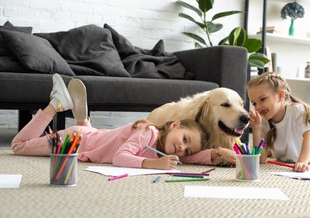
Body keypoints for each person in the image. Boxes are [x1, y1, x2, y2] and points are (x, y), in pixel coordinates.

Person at [11, 74, 224, 169]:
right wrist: (152, 164)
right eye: (185, 139)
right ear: (175, 124)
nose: (181, 148)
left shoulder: (165, 147)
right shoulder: (149, 132)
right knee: (19, 147)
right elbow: (120, 158)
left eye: (186, 149)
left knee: (98, 138)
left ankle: (84, 122)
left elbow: (188, 159)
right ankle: (56, 104)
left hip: (90, 138)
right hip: (75, 141)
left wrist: (216, 154)